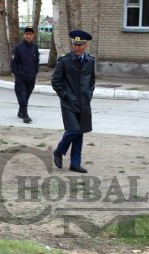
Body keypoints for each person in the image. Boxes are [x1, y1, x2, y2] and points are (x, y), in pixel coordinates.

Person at [52, 30, 95, 174]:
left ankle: (75, 163)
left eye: (80, 45)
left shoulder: (90, 61)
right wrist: (65, 95)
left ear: (85, 45)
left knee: (79, 132)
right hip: (69, 103)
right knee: (74, 130)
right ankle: (59, 150)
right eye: (75, 44)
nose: (77, 47)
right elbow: (55, 81)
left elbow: (92, 80)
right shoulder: (64, 61)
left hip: (84, 102)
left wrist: (89, 94)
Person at [11, 26, 39, 124]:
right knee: (22, 95)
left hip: (31, 77)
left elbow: (36, 61)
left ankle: (20, 111)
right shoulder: (18, 48)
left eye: (30, 34)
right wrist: (17, 74)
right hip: (21, 77)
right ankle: (25, 115)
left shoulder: (35, 48)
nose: (28, 36)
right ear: (24, 35)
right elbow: (13, 63)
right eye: (26, 34)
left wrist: (35, 71)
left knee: (26, 96)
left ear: (33, 36)